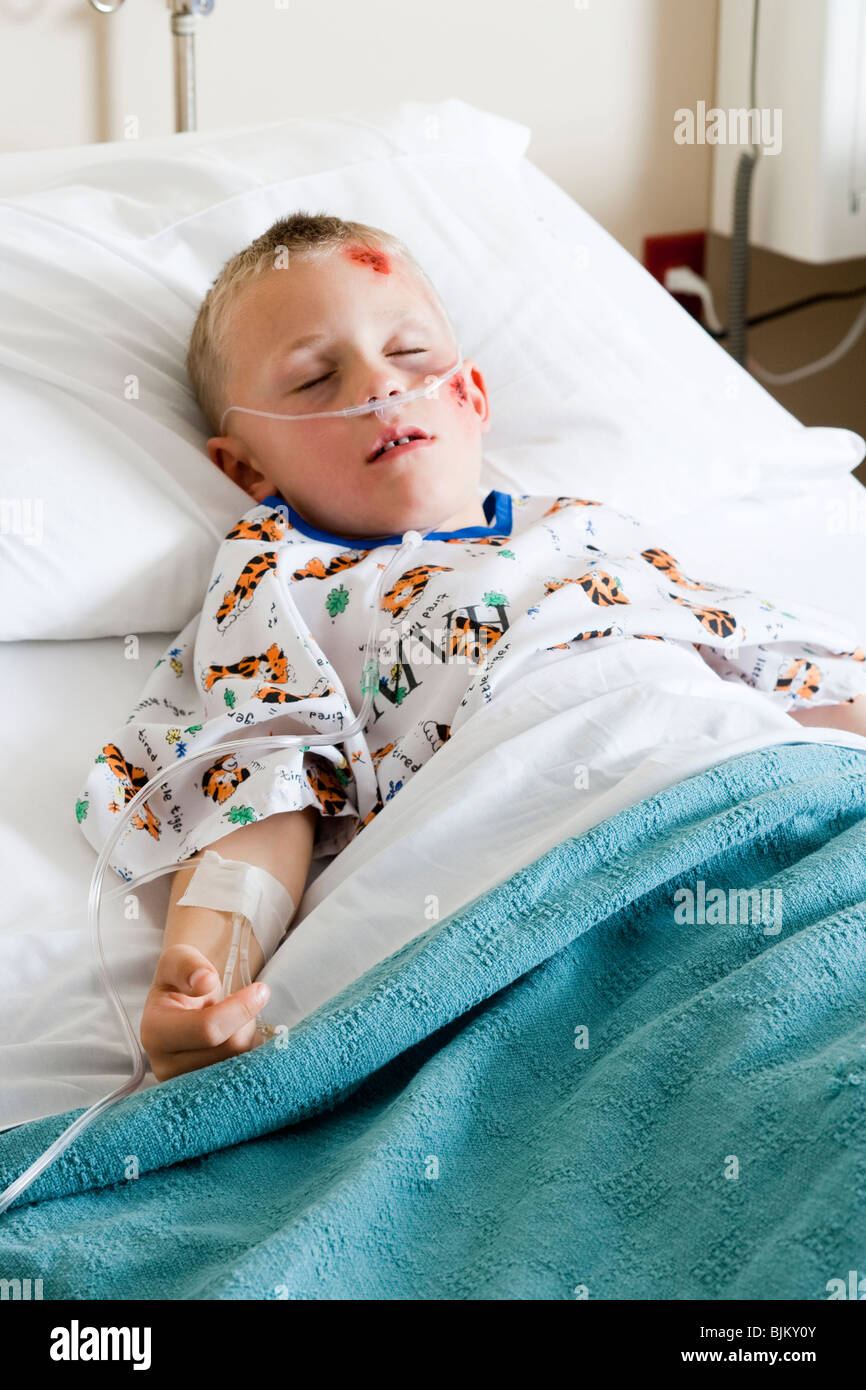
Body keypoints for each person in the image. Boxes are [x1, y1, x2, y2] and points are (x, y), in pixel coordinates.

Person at [76, 211, 866, 1081]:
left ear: (474, 397)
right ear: (247, 470)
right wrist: (205, 977)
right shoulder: (284, 581)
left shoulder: (589, 533)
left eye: (410, 355)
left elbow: (775, 667)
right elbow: (259, 780)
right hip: (527, 851)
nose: (380, 385)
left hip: (737, 787)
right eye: (313, 380)